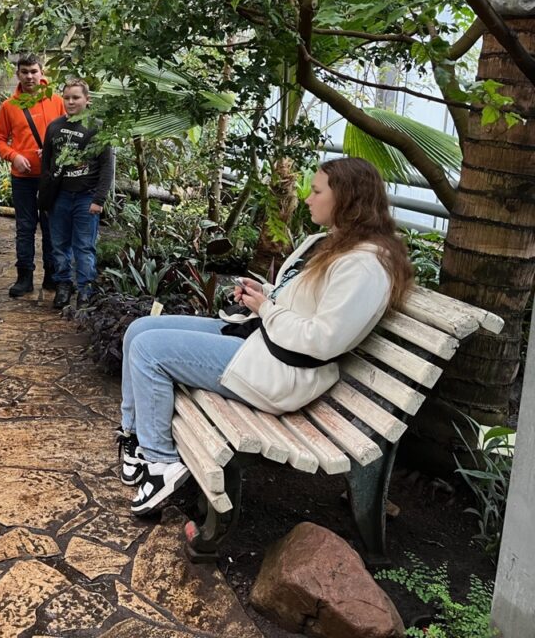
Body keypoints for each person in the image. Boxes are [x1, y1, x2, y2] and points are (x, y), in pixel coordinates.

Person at [117, 157, 414, 516]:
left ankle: (161, 464)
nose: (307, 199)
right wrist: (266, 294)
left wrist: (266, 309)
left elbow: (323, 340)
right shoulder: (331, 243)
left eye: (317, 191)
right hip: (262, 343)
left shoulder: (365, 266)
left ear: (347, 199)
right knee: (140, 329)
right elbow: (304, 304)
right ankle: (135, 437)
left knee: (149, 350)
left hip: (282, 372)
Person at [0, 52, 66, 297]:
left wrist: (53, 151)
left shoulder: (56, 101)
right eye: (24, 72)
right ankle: (24, 277)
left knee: (50, 226)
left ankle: (51, 275)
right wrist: (14, 156)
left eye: (34, 71)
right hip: (22, 177)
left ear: (42, 73)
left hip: (50, 177)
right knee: (25, 227)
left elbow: (69, 134)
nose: (29, 76)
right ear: (18, 74)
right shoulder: (9, 106)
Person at [41, 79, 115, 309]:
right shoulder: (54, 127)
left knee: (84, 246)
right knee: (59, 245)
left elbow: (107, 167)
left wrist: (99, 199)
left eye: (76, 97)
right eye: (67, 97)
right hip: (60, 196)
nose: (71, 102)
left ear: (87, 100)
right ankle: (63, 285)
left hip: (86, 197)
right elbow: (46, 165)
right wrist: (45, 198)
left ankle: (85, 290)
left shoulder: (98, 128)